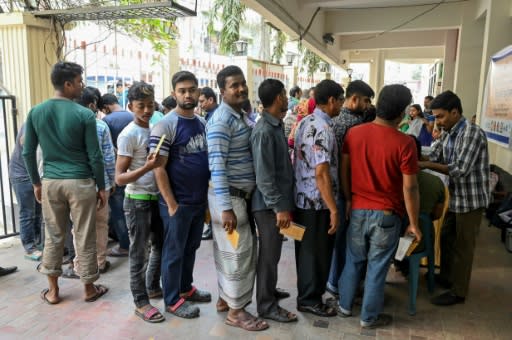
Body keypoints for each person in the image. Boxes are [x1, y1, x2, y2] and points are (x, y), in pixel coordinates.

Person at [22, 61, 108, 304]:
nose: (82, 86)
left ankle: (53, 291)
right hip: (81, 182)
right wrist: (101, 187)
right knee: (84, 235)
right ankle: (89, 288)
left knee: (54, 235)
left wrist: (37, 183)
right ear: (68, 84)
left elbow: (28, 152)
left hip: (51, 182)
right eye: (80, 81)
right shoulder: (84, 114)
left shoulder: (36, 112)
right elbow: (95, 156)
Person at [338, 84, 422, 329]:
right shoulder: (405, 143)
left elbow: (345, 168)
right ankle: (368, 317)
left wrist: (349, 198)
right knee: (377, 267)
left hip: (357, 209)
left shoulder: (355, 133)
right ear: (402, 112)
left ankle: (344, 306)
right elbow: (410, 188)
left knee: (353, 259)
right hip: (387, 215)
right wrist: (414, 223)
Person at [207, 65, 269, 331]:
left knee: (230, 252)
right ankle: (236, 311)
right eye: (234, 85)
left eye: (242, 83)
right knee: (238, 253)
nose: (241, 88)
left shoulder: (239, 115)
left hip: (238, 197)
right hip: (230, 199)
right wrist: (225, 209)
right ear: (222, 91)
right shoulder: (222, 120)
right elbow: (217, 165)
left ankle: (225, 300)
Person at [419, 90, 490, 306]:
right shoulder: (448, 131)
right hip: (458, 197)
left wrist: (425, 165)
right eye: (435, 117)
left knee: (463, 246)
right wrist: (409, 148)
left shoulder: (471, 133)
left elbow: (460, 169)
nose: (437, 121)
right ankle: (447, 277)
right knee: (447, 237)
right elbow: (433, 154)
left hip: (471, 201)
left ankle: (458, 292)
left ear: (455, 112)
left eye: (440, 116)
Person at [150, 71, 211, 319]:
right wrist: (171, 203)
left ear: (198, 92)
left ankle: (185, 288)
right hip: (177, 203)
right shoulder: (166, 124)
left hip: (197, 201)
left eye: (192, 89)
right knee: (173, 252)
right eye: (182, 90)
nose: (188, 94)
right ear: (174, 93)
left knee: (191, 247)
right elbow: (158, 167)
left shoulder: (202, 123)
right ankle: (172, 300)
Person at [293, 79, 344, 317]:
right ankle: (310, 300)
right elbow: (321, 172)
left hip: (304, 200)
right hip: (317, 203)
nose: (341, 105)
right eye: (341, 100)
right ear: (332, 100)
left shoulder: (306, 121)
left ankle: (307, 296)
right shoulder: (322, 128)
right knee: (317, 254)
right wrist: (334, 209)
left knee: (307, 252)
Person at [115, 81, 165, 323]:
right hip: (137, 201)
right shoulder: (128, 134)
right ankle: (141, 301)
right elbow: (119, 178)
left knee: (160, 246)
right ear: (130, 106)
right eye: (140, 106)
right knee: (138, 253)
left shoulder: (155, 127)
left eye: (149, 105)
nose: (146, 110)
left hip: (156, 199)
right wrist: (147, 166)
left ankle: (153, 287)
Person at [251, 79, 297, 323]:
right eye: (285, 95)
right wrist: (279, 207)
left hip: (277, 203)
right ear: (279, 97)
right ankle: (266, 306)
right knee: (268, 256)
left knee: (274, 253)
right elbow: (264, 177)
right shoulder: (264, 131)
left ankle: (269, 291)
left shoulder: (276, 125)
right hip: (268, 206)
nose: (288, 99)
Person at [327, 80, 374, 298]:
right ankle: (342, 285)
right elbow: (349, 164)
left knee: (338, 242)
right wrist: (348, 197)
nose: (367, 105)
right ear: (353, 99)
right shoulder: (355, 126)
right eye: (365, 100)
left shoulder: (334, 121)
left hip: (335, 188)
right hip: (348, 191)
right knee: (347, 242)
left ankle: (333, 282)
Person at [71, 87, 116, 275]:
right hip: (99, 185)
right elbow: (108, 157)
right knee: (100, 225)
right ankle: (100, 262)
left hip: (75, 184)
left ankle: (80, 265)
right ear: (92, 105)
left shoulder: (67, 125)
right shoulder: (100, 125)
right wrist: (110, 183)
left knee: (79, 228)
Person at [101, 93, 132, 257]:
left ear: (105, 107)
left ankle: (125, 245)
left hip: (118, 171)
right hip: (135, 171)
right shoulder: (132, 115)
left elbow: (107, 151)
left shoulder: (107, 121)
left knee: (118, 210)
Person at [9, 123, 43, 261]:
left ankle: (37, 243)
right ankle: (29, 247)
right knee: (27, 213)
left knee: (37, 212)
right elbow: (25, 144)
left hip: (35, 175)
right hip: (22, 176)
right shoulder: (33, 123)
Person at [198, 86, 219, 240]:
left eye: (202, 101)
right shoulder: (209, 116)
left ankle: (212, 227)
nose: (201, 105)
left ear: (211, 100)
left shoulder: (214, 118)